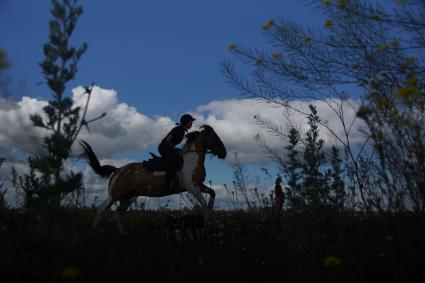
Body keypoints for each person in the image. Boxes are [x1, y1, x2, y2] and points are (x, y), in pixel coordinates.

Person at [158, 114, 196, 188]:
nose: (192, 124)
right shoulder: (179, 129)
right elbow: (168, 140)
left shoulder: (182, 131)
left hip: (168, 148)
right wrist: (175, 149)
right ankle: (168, 184)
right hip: (164, 147)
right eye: (191, 122)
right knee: (172, 162)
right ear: (186, 122)